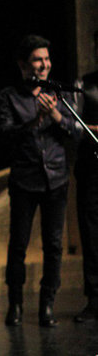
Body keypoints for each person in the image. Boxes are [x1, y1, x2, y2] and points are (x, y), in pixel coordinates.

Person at [0, 34, 78, 327]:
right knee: (18, 244)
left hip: (56, 178)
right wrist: (35, 121)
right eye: (37, 60)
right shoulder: (10, 95)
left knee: (53, 245)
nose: (44, 65)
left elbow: (76, 132)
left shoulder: (60, 93)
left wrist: (55, 115)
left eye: (46, 59)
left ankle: (47, 305)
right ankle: (15, 304)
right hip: (25, 179)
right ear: (23, 64)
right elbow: (5, 135)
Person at [73, 41, 98, 323]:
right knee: (91, 235)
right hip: (92, 168)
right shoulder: (84, 83)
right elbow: (74, 123)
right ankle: (94, 298)